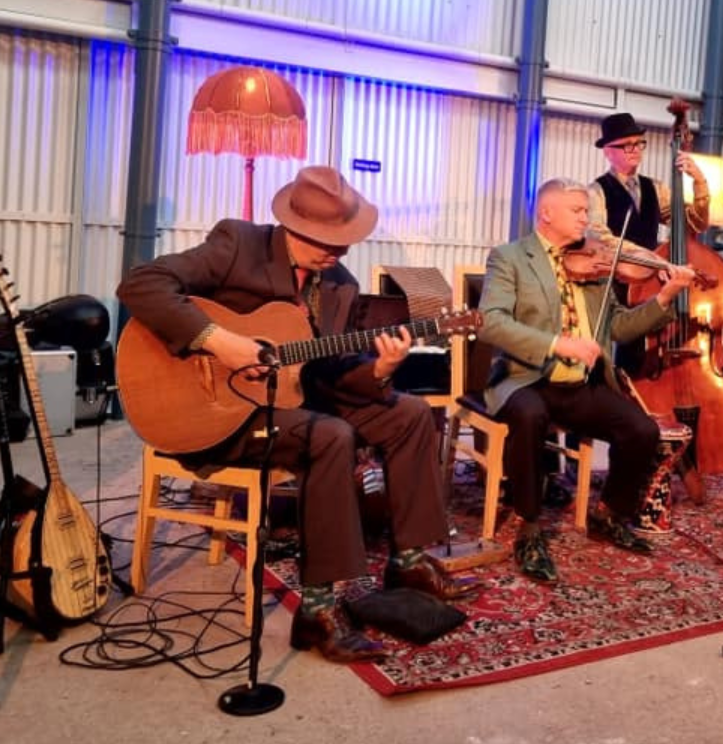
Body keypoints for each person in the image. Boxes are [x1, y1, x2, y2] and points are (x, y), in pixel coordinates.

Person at [117, 165, 478, 664]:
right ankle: (318, 609)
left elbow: (339, 368)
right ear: (290, 223)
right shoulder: (237, 244)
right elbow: (142, 283)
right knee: (329, 436)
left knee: (412, 412)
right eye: (322, 240)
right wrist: (217, 341)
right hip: (220, 409)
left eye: (343, 240)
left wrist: (381, 368)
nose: (334, 251)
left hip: (296, 395)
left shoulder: (340, 282)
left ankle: (409, 560)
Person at [477, 176, 695, 583]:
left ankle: (609, 513)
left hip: (578, 384)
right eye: (577, 211)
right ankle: (529, 526)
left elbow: (619, 327)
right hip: (526, 379)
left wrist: (664, 298)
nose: (587, 219)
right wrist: (556, 343)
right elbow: (491, 324)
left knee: (641, 430)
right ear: (546, 213)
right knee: (528, 418)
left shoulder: (593, 263)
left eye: (586, 211)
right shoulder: (508, 257)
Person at [586, 111, 710, 501]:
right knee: (616, 371)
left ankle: (655, 451)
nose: (635, 151)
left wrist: (699, 182)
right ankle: (606, 452)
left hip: (655, 286)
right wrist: (659, 261)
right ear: (608, 151)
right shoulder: (596, 192)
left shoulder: (657, 188)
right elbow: (603, 240)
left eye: (639, 144)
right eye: (626, 146)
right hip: (618, 289)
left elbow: (693, 223)